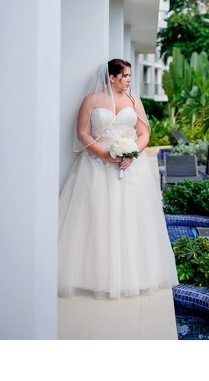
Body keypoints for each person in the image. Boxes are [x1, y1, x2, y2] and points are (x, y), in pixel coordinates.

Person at [58, 59, 178, 299]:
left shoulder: (134, 101)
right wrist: (104, 153)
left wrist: (132, 153)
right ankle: (93, 275)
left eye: (130, 76)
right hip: (96, 166)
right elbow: (82, 133)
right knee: (96, 216)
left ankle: (133, 275)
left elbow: (144, 133)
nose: (129, 80)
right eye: (125, 76)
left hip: (130, 167)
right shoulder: (91, 100)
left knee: (131, 216)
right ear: (111, 77)